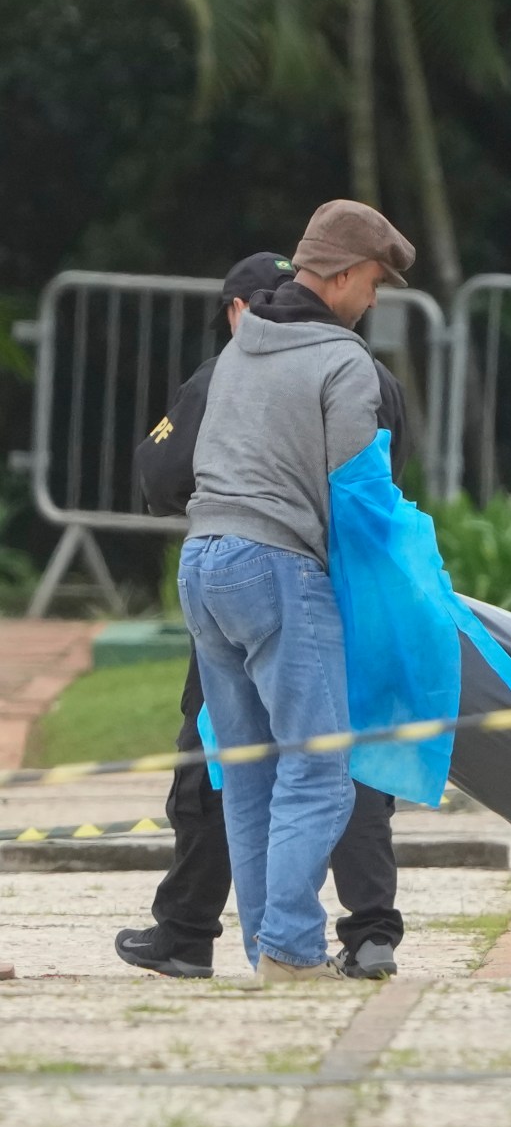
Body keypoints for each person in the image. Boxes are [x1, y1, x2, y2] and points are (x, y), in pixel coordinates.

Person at [116, 252, 411, 981]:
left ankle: (255, 948)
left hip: (203, 564)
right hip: (282, 567)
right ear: (344, 274)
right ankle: (293, 945)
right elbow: (360, 488)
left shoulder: (233, 355)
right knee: (321, 771)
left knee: (242, 773)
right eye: (374, 284)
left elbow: (161, 472)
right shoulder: (346, 363)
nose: (373, 302)